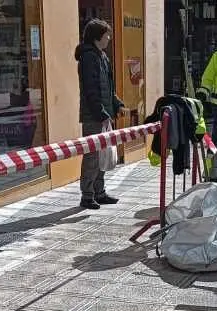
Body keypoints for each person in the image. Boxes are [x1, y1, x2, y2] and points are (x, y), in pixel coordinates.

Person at [75, 19, 125, 210]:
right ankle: (87, 195)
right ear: (97, 37)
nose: (109, 38)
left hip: (104, 114)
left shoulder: (102, 56)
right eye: (106, 35)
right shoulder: (88, 58)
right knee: (92, 156)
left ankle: (99, 192)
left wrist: (117, 105)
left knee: (103, 154)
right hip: (93, 116)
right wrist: (101, 112)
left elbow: (108, 87)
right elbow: (91, 90)